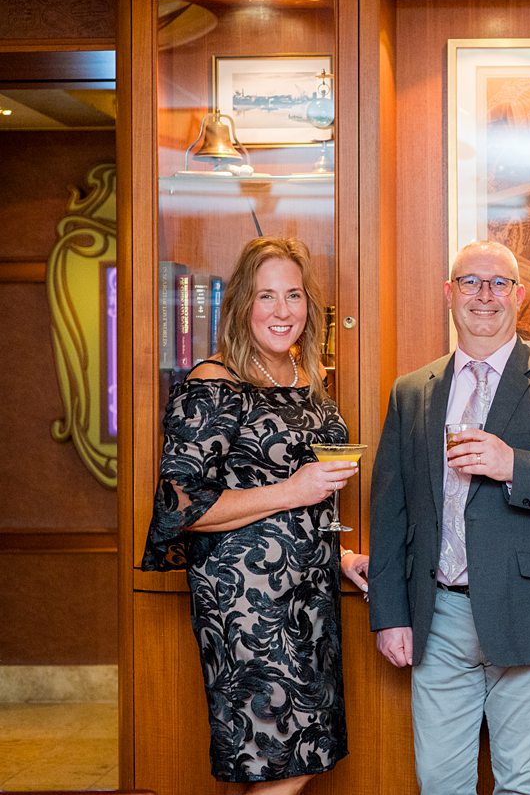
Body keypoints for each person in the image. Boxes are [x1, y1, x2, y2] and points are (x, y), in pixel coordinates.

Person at [369, 240, 530, 795]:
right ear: (449, 293)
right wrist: (390, 614)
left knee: (527, 784)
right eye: (470, 281)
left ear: (521, 296)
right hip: (438, 616)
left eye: (499, 283)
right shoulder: (412, 391)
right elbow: (390, 511)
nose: (484, 295)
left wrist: (516, 467)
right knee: (439, 783)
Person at [141, 236, 368, 794]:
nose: (282, 310)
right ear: (242, 304)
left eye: (294, 295)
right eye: (267, 296)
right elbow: (182, 507)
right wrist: (295, 490)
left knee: (296, 755)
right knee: (281, 757)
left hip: (308, 597)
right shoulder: (213, 383)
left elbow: (291, 494)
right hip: (246, 604)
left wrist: (337, 556)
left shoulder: (307, 383)